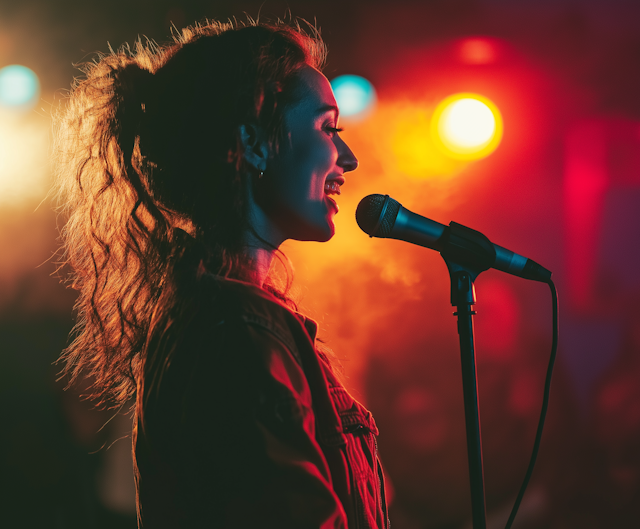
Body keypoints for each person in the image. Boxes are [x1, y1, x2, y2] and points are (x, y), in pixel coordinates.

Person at [54, 18, 389, 528]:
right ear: (253, 141)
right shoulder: (237, 331)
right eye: (328, 128)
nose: (348, 156)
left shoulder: (220, 315)